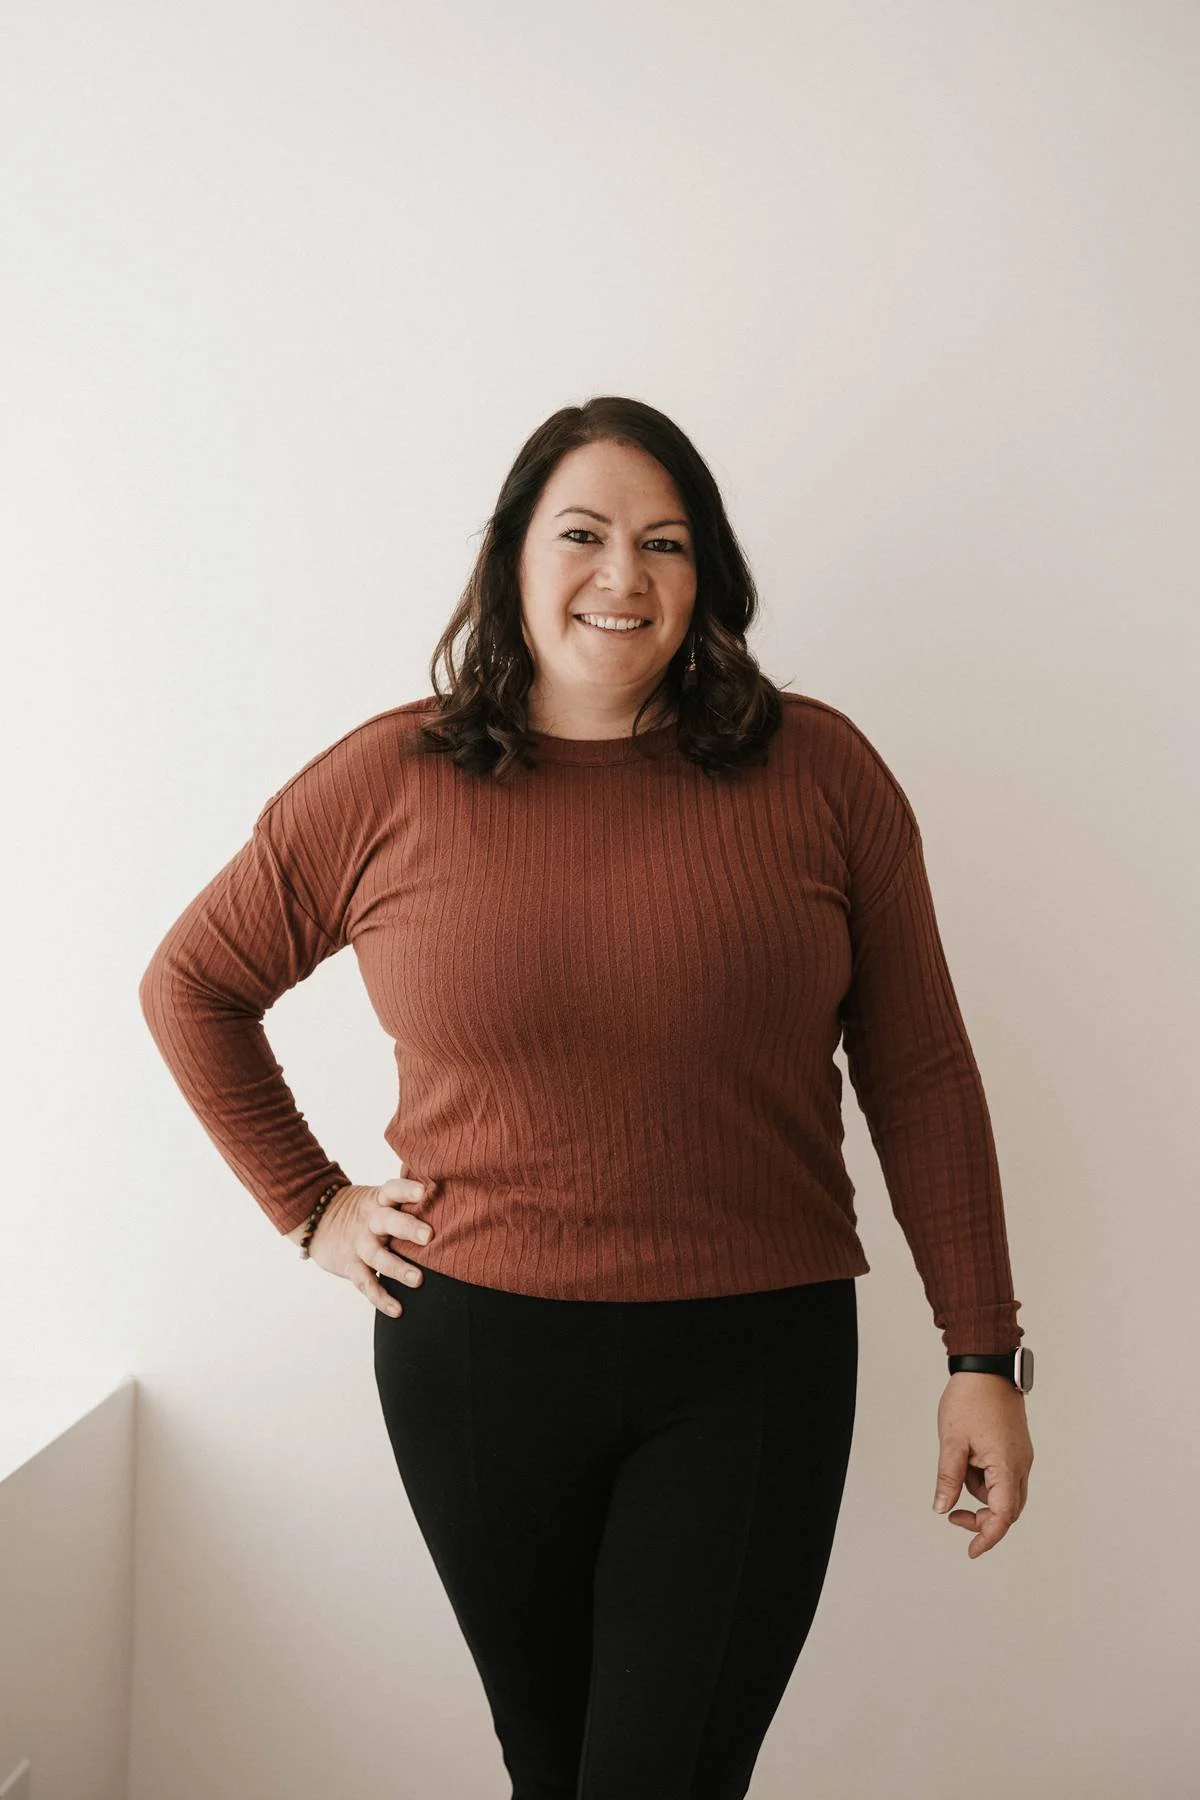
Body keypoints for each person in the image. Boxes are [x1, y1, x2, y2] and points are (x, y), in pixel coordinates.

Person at [139, 394, 1034, 1800]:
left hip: (754, 1361)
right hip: (477, 1365)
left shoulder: (823, 773)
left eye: (665, 544)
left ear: (706, 578)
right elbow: (191, 984)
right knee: (551, 1770)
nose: (624, 576)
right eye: (585, 534)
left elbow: (920, 1070)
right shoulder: (390, 779)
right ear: (511, 561)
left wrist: (983, 1353)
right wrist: (307, 1204)